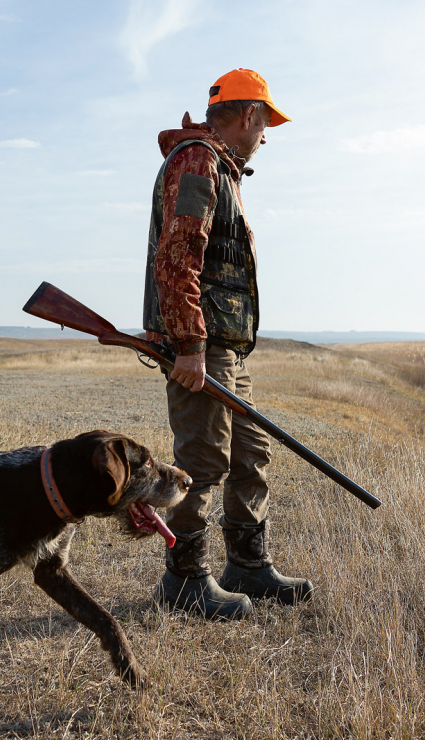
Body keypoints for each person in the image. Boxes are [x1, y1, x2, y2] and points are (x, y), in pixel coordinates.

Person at [143, 68, 315, 620]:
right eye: (266, 123)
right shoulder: (197, 161)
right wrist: (189, 345)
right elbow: (179, 255)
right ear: (249, 115)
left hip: (227, 347)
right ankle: (185, 580)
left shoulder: (222, 169)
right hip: (205, 344)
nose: (266, 135)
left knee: (252, 452)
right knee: (203, 459)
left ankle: (247, 565)